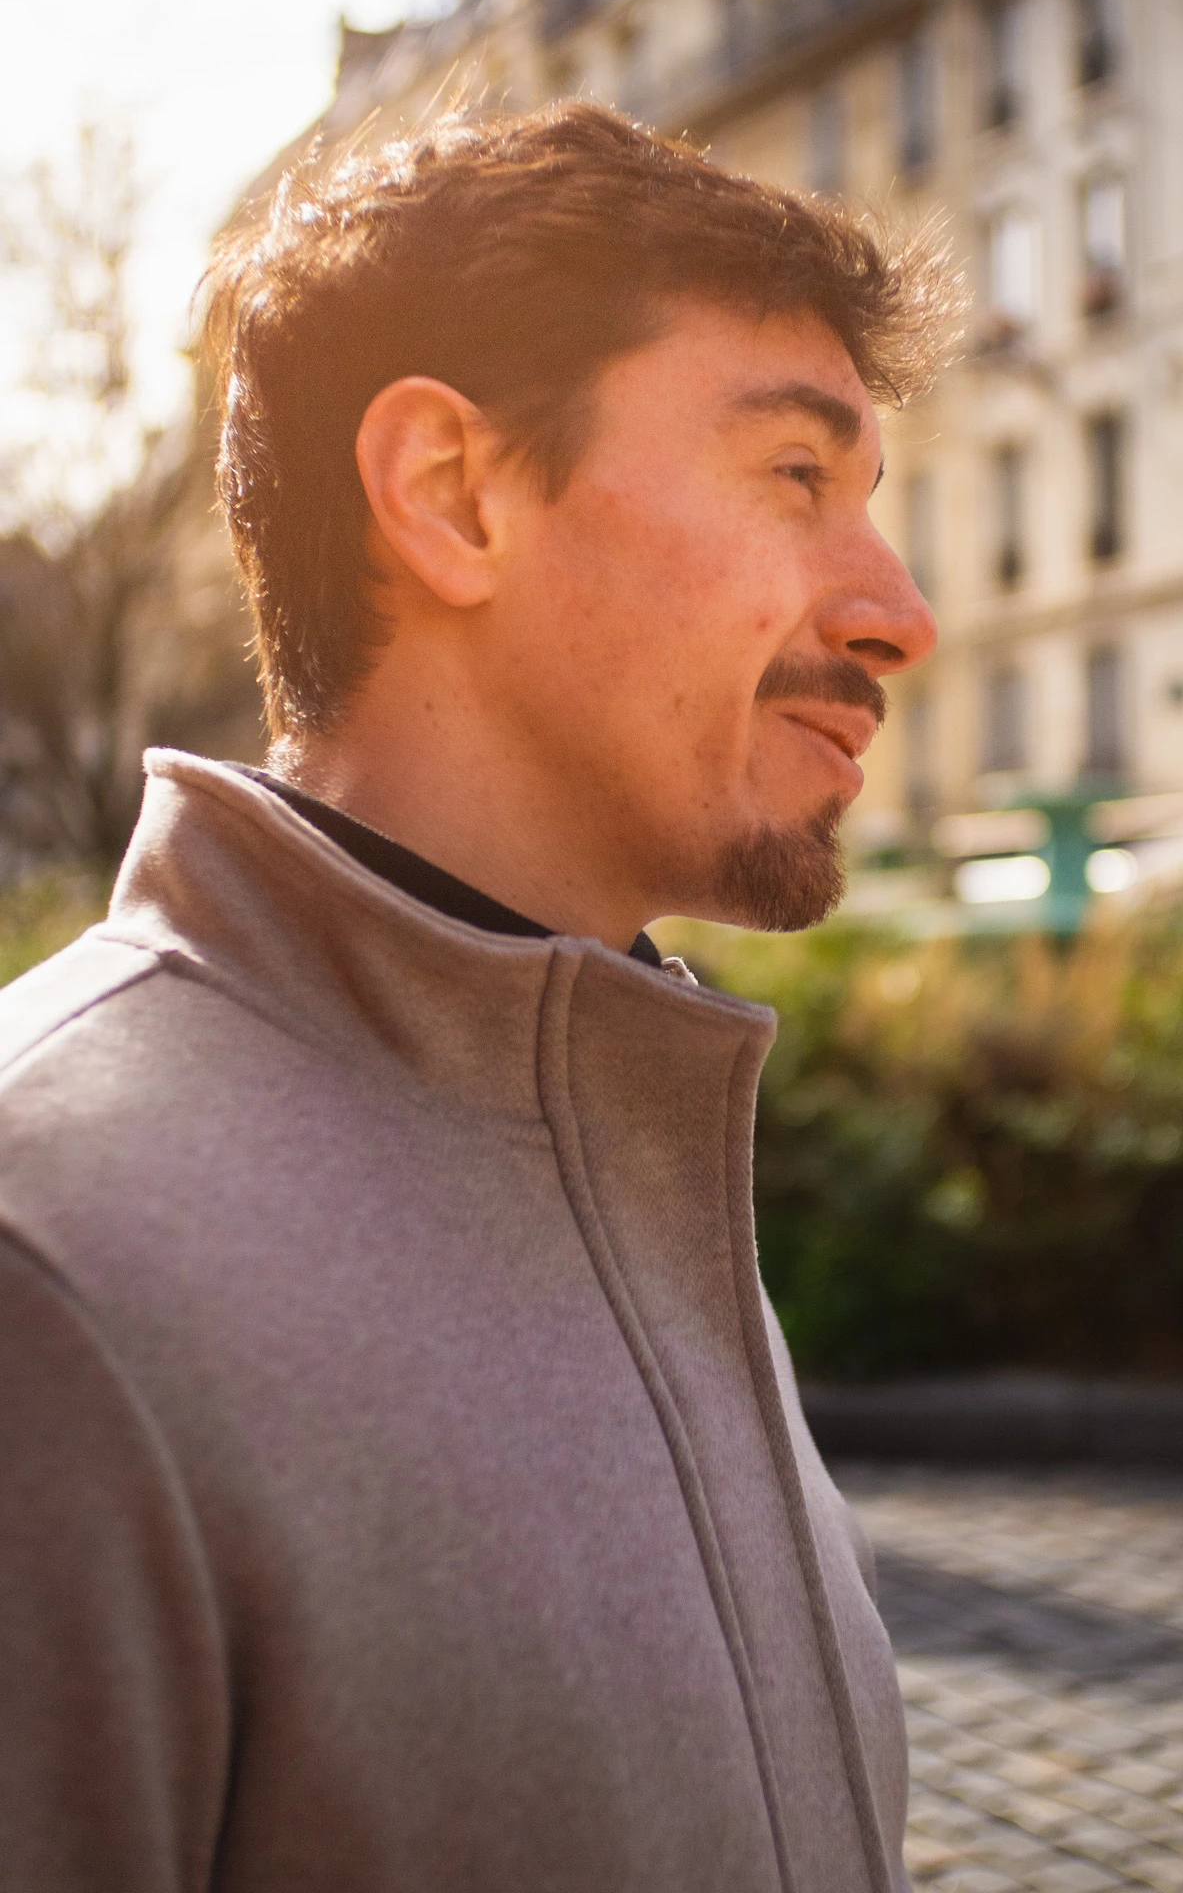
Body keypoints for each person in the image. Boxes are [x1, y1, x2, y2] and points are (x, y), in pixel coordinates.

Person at [0, 103, 959, 1891]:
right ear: (450, 492)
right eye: (794, 477)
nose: (900, 613)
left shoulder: (624, 1149)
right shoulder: (47, 1254)